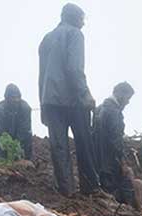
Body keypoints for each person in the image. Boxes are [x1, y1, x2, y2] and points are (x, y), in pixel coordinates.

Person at [38, 3, 99, 195]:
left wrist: (43, 104)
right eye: (82, 19)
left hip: (50, 100)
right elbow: (74, 68)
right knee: (84, 142)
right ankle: (91, 189)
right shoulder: (74, 34)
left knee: (59, 146)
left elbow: (41, 75)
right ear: (73, 17)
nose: (83, 24)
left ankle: (67, 192)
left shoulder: (46, 38)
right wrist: (85, 94)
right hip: (73, 99)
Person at [93, 82, 137, 208]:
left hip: (98, 162)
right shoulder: (114, 112)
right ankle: (132, 213)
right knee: (124, 185)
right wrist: (123, 162)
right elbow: (116, 140)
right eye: (128, 98)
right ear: (119, 93)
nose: (128, 102)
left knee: (106, 191)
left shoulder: (99, 109)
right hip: (110, 163)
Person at [0, 84, 33, 160]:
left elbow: (24, 129)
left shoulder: (26, 108)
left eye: (18, 97)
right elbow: (1, 132)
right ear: (6, 98)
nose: (16, 100)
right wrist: (9, 146)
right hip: (6, 138)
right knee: (0, 153)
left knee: (27, 138)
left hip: (22, 140)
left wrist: (16, 146)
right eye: (13, 97)